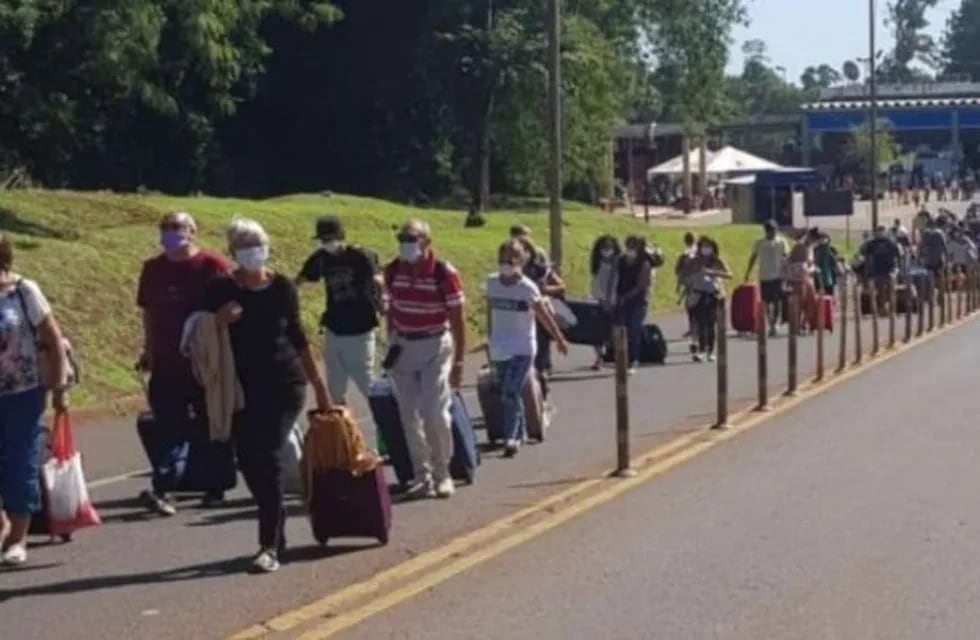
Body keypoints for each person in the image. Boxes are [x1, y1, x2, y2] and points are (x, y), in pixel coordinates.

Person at [205, 218, 331, 574]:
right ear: (233, 253)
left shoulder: (282, 288)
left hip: (284, 384)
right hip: (242, 388)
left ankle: (269, 544)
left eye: (257, 245)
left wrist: (318, 385)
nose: (252, 253)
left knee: (271, 455)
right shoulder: (220, 290)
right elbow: (197, 330)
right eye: (244, 247)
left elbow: (298, 335)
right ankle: (277, 530)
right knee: (249, 460)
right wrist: (218, 320)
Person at [136, 211, 231, 515]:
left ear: (192, 232)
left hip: (204, 362)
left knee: (209, 422)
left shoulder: (211, 266)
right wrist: (148, 351)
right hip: (166, 361)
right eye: (165, 228)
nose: (170, 233)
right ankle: (163, 488)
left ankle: (215, 487)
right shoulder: (152, 269)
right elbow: (148, 313)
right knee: (168, 426)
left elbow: (230, 308)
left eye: (177, 227)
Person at [383, 220, 466, 500]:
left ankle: (443, 472)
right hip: (403, 345)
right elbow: (391, 310)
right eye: (402, 238)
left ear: (426, 242)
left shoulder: (443, 273)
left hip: (434, 344)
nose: (406, 243)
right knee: (408, 414)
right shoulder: (393, 270)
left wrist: (459, 363)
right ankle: (422, 474)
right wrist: (391, 344)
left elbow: (457, 319)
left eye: (412, 238)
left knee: (433, 411)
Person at [0, 232, 68, 566]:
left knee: (19, 461)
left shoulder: (24, 291)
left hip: (23, 393)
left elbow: (53, 340)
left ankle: (18, 538)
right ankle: (3, 524)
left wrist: (58, 387)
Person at [486, 240, 569, 457]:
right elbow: (490, 314)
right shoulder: (491, 283)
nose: (506, 264)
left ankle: (511, 437)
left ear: (521, 261)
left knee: (510, 392)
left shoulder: (527, 287)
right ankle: (523, 431)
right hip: (500, 346)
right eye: (502, 259)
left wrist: (558, 338)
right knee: (509, 391)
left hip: (522, 347)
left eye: (511, 259)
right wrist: (489, 339)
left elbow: (543, 315)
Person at [296, 216, 381, 406]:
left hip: (361, 328)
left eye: (330, 238)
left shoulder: (360, 256)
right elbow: (301, 279)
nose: (327, 243)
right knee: (335, 387)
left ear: (341, 236)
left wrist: (385, 305)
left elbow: (378, 280)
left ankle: (388, 423)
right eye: (323, 240)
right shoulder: (321, 259)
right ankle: (344, 428)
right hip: (334, 328)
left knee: (367, 383)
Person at [510, 225, 565, 384]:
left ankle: (542, 377)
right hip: (518, 319)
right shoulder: (508, 269)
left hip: (538, 315)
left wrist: (544, 289)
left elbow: (558, 285)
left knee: (540, 350)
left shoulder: (538, 267)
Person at [684, 236, 731, 362]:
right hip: (698, 294)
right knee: (700, 323)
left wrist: (713, 272)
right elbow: (685, 274)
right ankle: (701, 349)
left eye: (708, 246)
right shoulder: (695, 261)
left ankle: (710, 350)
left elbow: (728, 274)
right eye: (703, 246)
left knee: (711, 324)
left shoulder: (717, 261)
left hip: (712, 294)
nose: (706, 249)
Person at [615, 235, 654, 374]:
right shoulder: (621, 261)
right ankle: (621, 359)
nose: (631, 249)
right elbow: (614, 278)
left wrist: (627, 297)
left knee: (634, 329)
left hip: (639, 301)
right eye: (629, 246)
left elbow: (642, 284)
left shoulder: (644, 263)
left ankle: (633, 360)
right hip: (622, 299)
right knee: (620, 329)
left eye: (634, 246)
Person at [744, 221, 788, 337]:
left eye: (774, 230)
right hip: (764, 275)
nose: (772, 233)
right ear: (766, 231)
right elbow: (753, 257)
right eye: (770, 231)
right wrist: (748, 272)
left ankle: (775, 323)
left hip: (778, 275)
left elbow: (786, 257)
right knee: (766, 301)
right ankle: (770, 322)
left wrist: (787, 273)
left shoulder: (781, 241)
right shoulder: (759, 243)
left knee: (777, 300)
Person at [588, 235, 620, 370]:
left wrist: (608, 300)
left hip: (612, 300)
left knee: (612, 331)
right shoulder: (597, 263)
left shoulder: (617, 264)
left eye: (609, 247)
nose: (607, 250)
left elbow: (613, 283)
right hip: (596, 299)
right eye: (604, 247)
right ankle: (599, 357)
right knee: (594, 331)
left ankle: (615, 357)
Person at [862, 226, 901, 314]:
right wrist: (868, 270)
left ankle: (891, 309)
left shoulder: (890, 243)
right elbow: (867, 257)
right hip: (877, 270)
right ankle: (882, 308)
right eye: (877, 232)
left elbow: (897, 255)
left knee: (891, 290)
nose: (879, 234)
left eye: (881, 232)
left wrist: (896, 268)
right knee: (880, 290)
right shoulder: (871, 244)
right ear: (875, 233)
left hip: (889, 270)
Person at [674, 232, 697, 339]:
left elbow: (680, 271)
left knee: (690, 306)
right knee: (692, 305)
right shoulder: (696, 251)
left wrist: (678, 284)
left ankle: (694, 327)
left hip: (690, 282)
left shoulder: (686, 253)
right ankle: (694, 327)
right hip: (694, 281)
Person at [812, 230, 840, 297]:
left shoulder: (828, 250)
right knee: (827, 296)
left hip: (824, 278)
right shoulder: (818, 250)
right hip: (823, 278)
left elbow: (835, 263)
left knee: (823, 296)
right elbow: (835, 265)